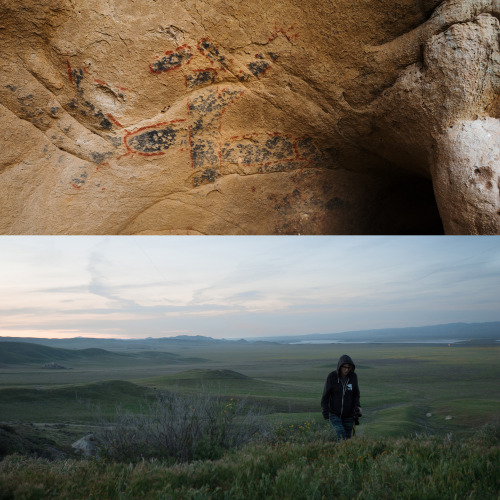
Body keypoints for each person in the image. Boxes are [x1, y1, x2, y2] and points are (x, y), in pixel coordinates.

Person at [321, 354, 361, 441]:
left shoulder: (353, 377)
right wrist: (325, 412)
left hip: (349, 414)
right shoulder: (332, 377)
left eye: (349, 367)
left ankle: (342, 453)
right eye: (344, 367)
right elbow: (325, 396)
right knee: (341, 436)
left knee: (347, 439)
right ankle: (339, 453)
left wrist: (358, 407)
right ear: (340, 366)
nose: (347, 370)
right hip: (334, 413)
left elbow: (356, 394)